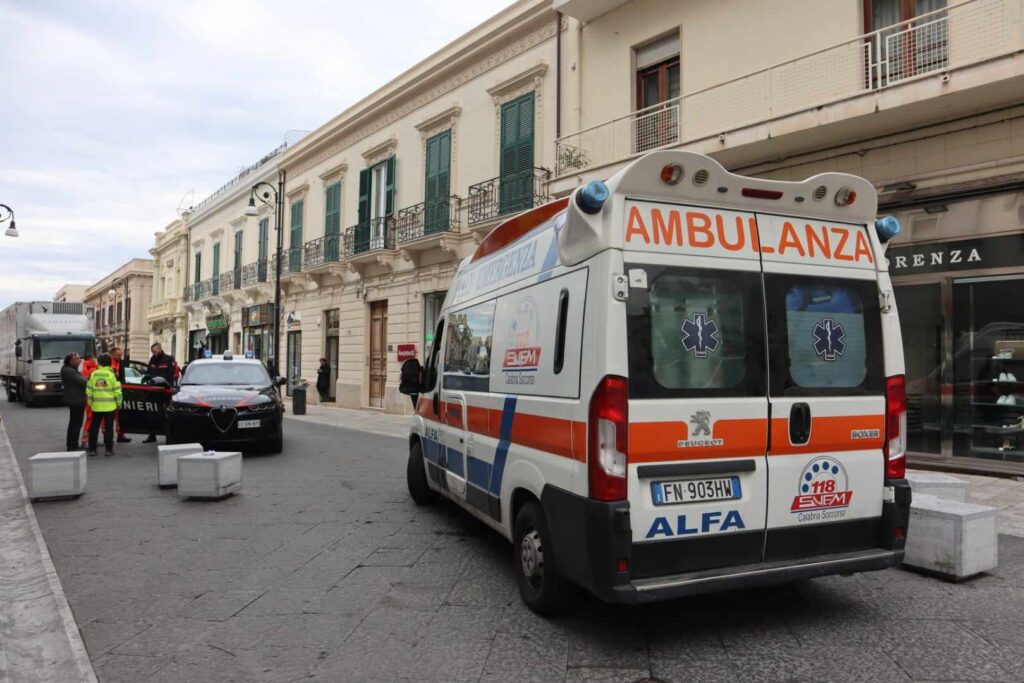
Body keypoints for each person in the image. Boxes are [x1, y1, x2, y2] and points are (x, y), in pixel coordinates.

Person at [85, 354, 122, 457]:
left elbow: (89, 390)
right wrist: (119, 403)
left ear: (99, 363)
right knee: (109, 428)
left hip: (96, 406)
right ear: (109, 362)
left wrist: (90, 403)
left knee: (94, 427)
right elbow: (117, 391)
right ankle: (108, 450)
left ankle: (92, 449)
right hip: (110, 406)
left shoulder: (94, 374)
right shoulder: (112, 375)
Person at [144, 342, 179, 443]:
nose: (153, 353)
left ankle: (168, 436)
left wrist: (160, 380)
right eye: (152, 352)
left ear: (160, 349)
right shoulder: (152, 359)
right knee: (152, 414)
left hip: (165, 390)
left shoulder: (169, 359)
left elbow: (170, 374)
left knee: (167, 414)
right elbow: (148, 372)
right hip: (153, 391)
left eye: (154, 351)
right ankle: (152, 435)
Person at [61, 353, 87, 451]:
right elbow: (83, 381)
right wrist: (93, 378)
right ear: (71, 361)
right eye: (77, 359)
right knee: (76, 424)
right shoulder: (69, 371)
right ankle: (73, 446)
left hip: (75, 399)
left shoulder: (69, 370)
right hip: (76, 400)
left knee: (74, 423)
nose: (80, 361)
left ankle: (72, 444)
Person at [109, 347, 131, 443]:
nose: (120, 357)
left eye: (121, 355)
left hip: (119, 393)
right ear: (112, 355)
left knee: (120, 416)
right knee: (108, 419)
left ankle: (120, 435)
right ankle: (108, 437)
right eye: (118, 355)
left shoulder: (120, 363)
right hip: (109, 395)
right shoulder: (109, 364)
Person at [79, 354, 98, 448]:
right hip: (95, 398)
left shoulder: (83, 368)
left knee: (89, 420)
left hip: (88, 398)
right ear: (91, 359)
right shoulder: (93, 369)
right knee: (94, 420)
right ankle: (89, 441)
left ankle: (85, 440)